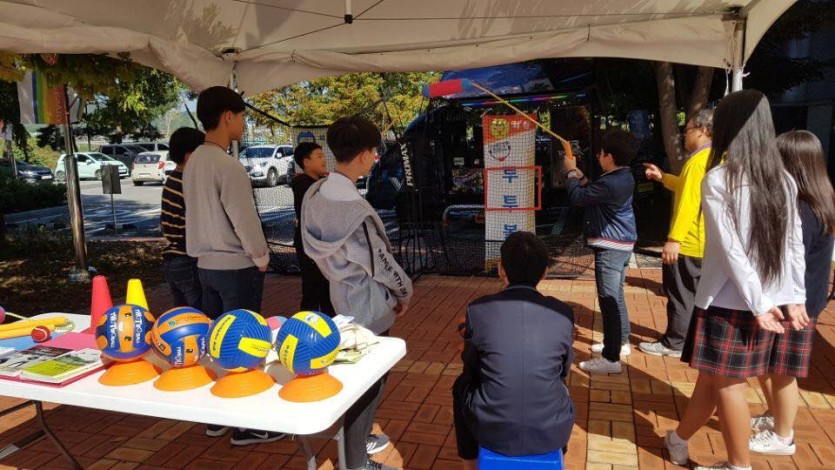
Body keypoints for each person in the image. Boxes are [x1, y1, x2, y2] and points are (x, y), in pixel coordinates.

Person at [663, 90, 808, 470]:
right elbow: (794, 244)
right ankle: (678, 439)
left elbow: (732, 251)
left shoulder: (719, 179)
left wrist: (763, 303)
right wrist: (793, 296)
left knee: (727, 385)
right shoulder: (782, 179)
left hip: (731, 302)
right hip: (768, 300)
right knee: (711, 381)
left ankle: (738, 465)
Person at [301, 116, 413, 470]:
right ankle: (356, 462)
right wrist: (404, 292)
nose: (376, 157)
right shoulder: (354, 211)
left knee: (356, 377)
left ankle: (356, 444)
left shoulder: (316, 195)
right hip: (368, 304)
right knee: (368, 387)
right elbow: (381, 264)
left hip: (339, 293)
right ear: (365, 154)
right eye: (374, 151)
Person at [182, 86, 284, 446]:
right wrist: (261, 257)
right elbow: (244, 220)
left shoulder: (193, 162)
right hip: (236, 267)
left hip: (204, 265)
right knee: (244, 344)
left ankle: (217, 418)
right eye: (242, 117)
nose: (243, 123)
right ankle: (247, 425)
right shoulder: (228, 166)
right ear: (228, 116)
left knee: (215, 342)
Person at [453, 231, 575, 470]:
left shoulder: (478, 309)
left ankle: (470, 464)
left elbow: (471, 365)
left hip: (491, 429)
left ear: (501, 269)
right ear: (545, 272)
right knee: (558, 386)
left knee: (461, 385)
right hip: (551, 430)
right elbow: (563, 369)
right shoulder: (563, 312)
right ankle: (560, 455)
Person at [747, 130, 835, 455]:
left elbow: (789, 260)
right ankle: (775, 416)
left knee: (782, 371)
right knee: (770, 366)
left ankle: (783, 436)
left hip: (794, 305)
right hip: (797, 301)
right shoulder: (818, 201)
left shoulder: (803, 209)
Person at [639, 110, 713, 357]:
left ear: (703, 130)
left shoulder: (698, 162)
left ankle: (675, 343)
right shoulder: (714, 157)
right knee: (696, 296)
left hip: (689, 243)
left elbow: (689, 203)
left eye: (688, 129)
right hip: (704, 242)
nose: (684, 135)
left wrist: (674, 240)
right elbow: (686, 188)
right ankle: (692, 339)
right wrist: (664, 178)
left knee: (680, 295)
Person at [564, 129, 638, 373]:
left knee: (608, 301)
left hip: (610, 247)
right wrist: (582, 177)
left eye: (601, 153)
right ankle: (621, 342)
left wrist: (570, 172)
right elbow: (593, 192)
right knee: (615, 296)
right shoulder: (622, 176)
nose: (598, 156)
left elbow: (578, 198)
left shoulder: (611, 182)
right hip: (620, 244)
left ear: (610, 157)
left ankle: (611, 358)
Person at [161, 127, 205, 309]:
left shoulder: (172, 180)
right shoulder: (187, 183)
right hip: (188, 259)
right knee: (199, 314)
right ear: (189, 156)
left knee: (182, 315)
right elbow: (197, 224)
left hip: (172, 259)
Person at [291, 142, 335, 316]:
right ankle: (304, 327)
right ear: (306, 162)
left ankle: (329, 324)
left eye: (323, 155)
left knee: (325, 290)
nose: (324, 160)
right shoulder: (304, 185)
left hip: (319, 245)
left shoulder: (319, 183)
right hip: (309, 246)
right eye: (319, 156)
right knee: (312, 289)